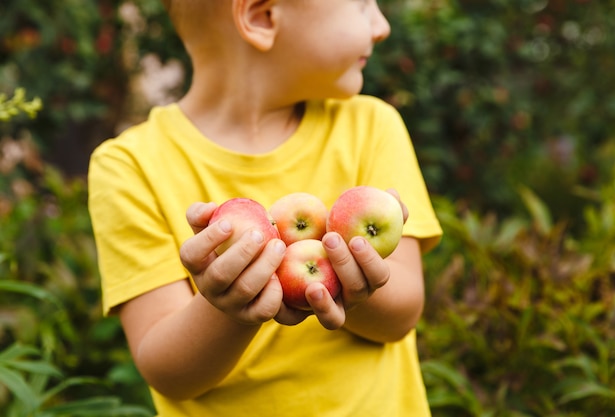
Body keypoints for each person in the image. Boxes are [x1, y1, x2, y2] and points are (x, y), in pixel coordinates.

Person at [88, 0, 443, 416]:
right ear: (262, 18)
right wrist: (229, 307)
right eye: (362, 5)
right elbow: (167, 370)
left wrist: (350, 287)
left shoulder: (373, 127)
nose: (381, 26)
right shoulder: (130, 167)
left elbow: (404, 312)